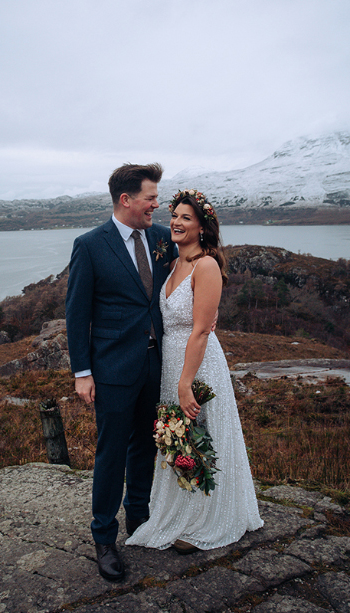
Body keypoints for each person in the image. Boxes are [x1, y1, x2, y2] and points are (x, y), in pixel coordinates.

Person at [126, 189, 263, 552]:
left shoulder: (206, 265)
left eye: (187, 218)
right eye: (175, 215)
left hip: (197, 363)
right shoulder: (172, 264)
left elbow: (201, 329)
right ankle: (180, 509)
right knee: (178, 437)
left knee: (203, 434)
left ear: (202, 228)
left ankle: (206, 516)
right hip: (170, 359)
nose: (176, 222)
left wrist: (186, 382)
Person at [66, 163, 175, 582]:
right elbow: (77, 314)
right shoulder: (90, 245)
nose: (156, 204)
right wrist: (82, 371)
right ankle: (103, 537)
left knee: (147, 445)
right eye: (151, 197)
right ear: (126, 199)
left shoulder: (163, 237)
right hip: (111, 368)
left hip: (156, 363)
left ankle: (140, 520)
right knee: (111, 453)